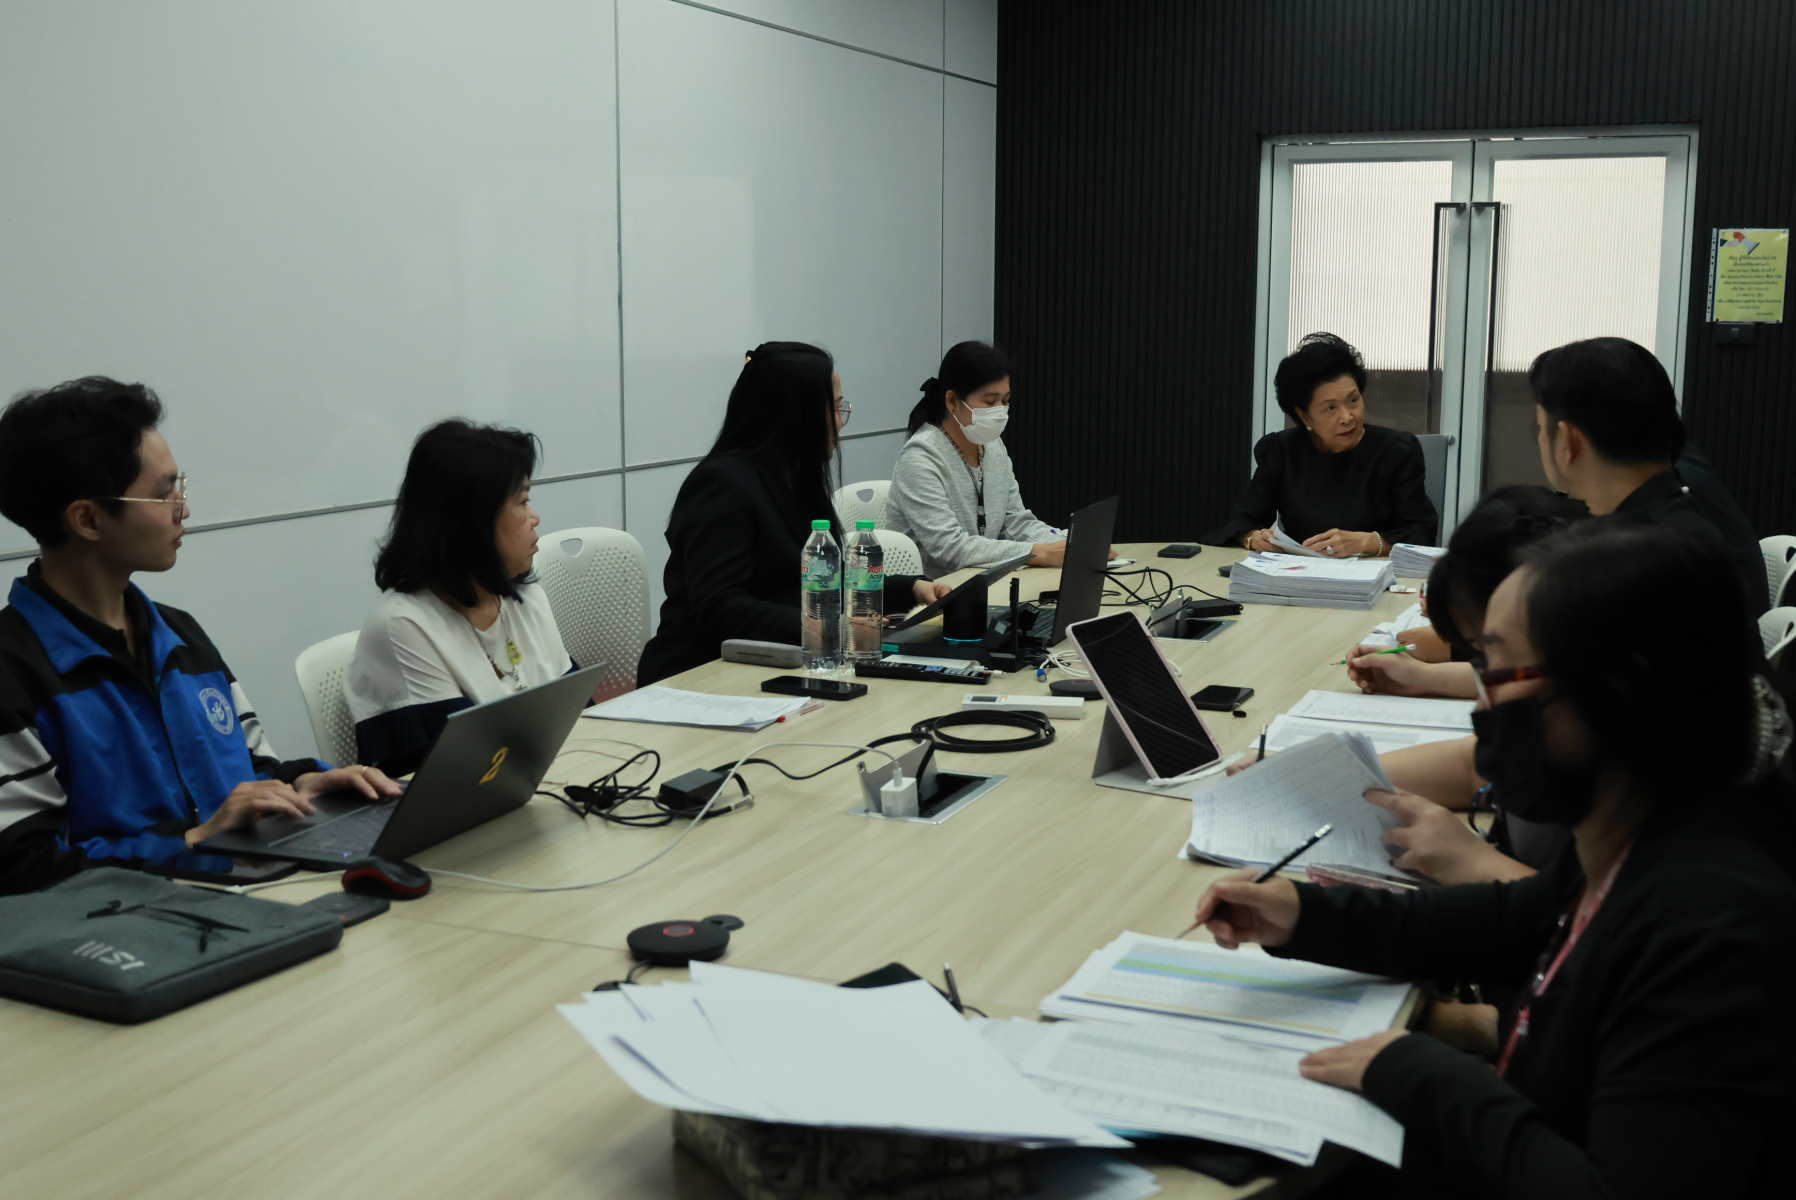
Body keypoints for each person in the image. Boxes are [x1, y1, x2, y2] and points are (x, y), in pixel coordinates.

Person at [1193, 521, 1796, 1195]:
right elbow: (1511, 921)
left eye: (1498, 667)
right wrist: (1305, 915)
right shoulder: (1641, 830)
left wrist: (1417, 1071)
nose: (1483, 700)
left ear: (1612, 693)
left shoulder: (1711, 930)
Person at [0, 378, 399, 894]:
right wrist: (193, 841)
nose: (183, 508)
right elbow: (22, 869)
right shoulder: (15, 671)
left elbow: (251, 769)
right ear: (88, 519)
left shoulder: (178, 634)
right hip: (136, 926)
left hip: (246, 895)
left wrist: (303, 781)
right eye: (163, 492)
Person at [637, 343, 950, 685]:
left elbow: (827, 582)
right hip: (700, 675)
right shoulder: (722, 484)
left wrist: (914, 589)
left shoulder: (796, 476)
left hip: (778, 665)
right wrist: (829, 626)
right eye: (834, 408)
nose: (841, 422)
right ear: (795, 413)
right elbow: (720, 608)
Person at [346, 419, 577, 778]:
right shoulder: (402, 625)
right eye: (523, 501)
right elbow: (461, 774)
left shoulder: (526, 598)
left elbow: (583, 721)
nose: (535, 518)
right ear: (473, 521)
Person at [1530, 336, 1769, 613]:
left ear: (1568, 442)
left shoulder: (1628, 568)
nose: (1540, 440)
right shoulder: (1676, 525)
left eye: (1540, 427)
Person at [1206, 333, 1436, 556]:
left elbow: (1421, 533)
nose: (1347, 417)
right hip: (1300, 573)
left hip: (1377, 575)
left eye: (1353, 400)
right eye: (1330, 408)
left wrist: (1365, 542)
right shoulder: (1282, 451)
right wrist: (1252, 537)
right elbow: (1242, 520)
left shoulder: (1395, 451)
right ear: (1304, 416)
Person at [885, 341, 1077, 577]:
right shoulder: (919, 459)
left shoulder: (993, 446)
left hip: (983, 582)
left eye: (1005, 401)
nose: (1000, 410)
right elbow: (950, 549)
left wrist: (1070, 543)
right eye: (989, 401)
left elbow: (1016, 522)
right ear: (952, 401)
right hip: (933, 591)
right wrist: (1037, 553)